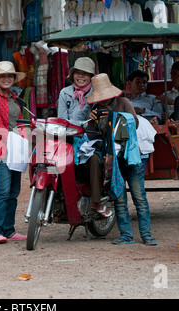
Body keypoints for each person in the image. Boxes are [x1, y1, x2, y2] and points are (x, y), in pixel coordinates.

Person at [86, 74, 156, 245]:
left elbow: (135, 124)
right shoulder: (95, 109)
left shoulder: (124, 102)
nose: (102, 100)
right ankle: (126, 235)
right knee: (120, 197)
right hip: (113, 159)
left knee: (139, 197)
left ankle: (146, 235)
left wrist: (113, 117)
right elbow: (92, 135)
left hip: (130, 156)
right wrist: (93, 121)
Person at [57, 57, 111, 216]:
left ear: (91, 77)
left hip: (90, 140)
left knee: (94, 159)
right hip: (68, 137)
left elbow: (94, 123)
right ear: (72, 74)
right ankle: (59, 198)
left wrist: (84, 121)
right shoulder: (64, 93)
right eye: (77, 73)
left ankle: (96, 201)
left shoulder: (97, 94)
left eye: (85, 74)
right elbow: (61, 119)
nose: (81, 77)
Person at [0, 61, 28, 244]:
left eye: (10, 76)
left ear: (14, 78)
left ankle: (9, 230)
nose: (7, 79)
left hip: (17, 146)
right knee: (3, 190)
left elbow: (21, 121)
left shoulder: (14, 97)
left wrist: (24, 138)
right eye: (3, 76)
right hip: (1, 148)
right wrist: (18, 138)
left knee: (14, 190)